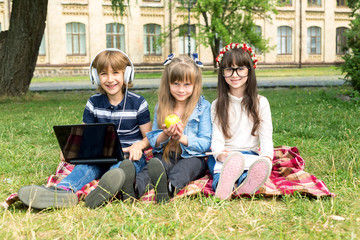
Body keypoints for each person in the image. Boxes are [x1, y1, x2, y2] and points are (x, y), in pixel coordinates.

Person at [18, 49, 151, 209]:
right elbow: (85, 132)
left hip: (129, 156)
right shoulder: (93, 102)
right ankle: (62, 192)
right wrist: (70, 147)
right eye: (103, 74)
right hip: (101, 154)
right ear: (95, 76)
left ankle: (101, 191)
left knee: (120, 170)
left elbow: (149, 136)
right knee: (85, 167)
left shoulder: (138, 103)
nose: (110, 79)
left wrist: (139, 146)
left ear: (127, 74)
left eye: (116, 73)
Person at [134, 54, 212, 203]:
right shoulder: (162, 106)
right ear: (168, 83)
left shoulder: (203, 107)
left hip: (193, 157)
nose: (181, 89)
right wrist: (165, 135)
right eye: (176, 84)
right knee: (153, 167)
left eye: (187, 84)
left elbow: (205, 142)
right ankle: (134, 188)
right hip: (167, 154)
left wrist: (181, 138)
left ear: (195, 84)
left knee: (183, 170)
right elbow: (153, 139)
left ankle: (168, 188)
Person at [207, 43, 273, 200]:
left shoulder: (261, 102)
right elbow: (216, 137)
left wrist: (266, 157)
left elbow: (266, 137)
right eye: (229, 69)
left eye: (240, 69)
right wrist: (220, 155)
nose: (234, 75)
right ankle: (222, 186)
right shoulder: (217, 104)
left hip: (250, 153)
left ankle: (247, 184)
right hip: (226, 154)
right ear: (222, 73)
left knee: (248, 170)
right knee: (217, 166)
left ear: (250, 71)